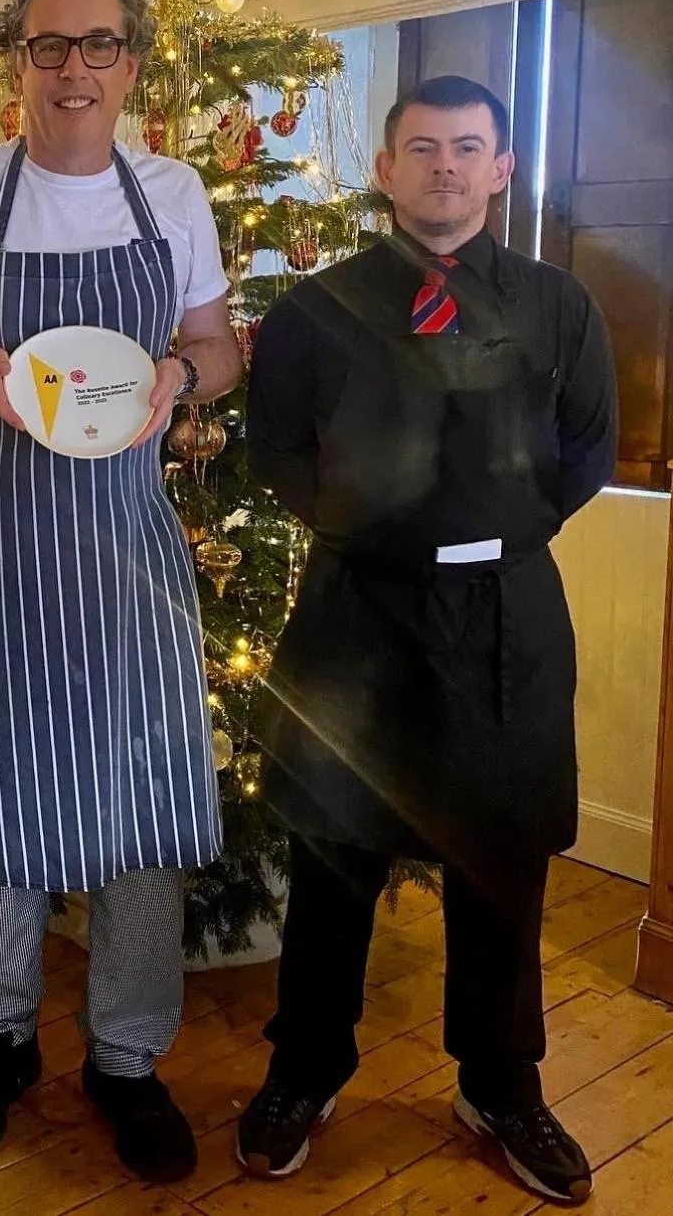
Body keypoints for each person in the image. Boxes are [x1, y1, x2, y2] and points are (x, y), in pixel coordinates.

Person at [0, 0, 242, 1183]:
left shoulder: (175, 191)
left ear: (132, 62)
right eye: (48, 46)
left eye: (98, 45)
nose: (74, 68)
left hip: (129, 557)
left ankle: (127, 1059)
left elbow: (215, 346)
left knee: (141, 812)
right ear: (16, 59)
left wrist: (179, 381)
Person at [240, 75, 617, 1205]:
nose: (444, 167)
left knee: (500, 869)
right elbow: (277, 449)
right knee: (333, 861)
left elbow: (587, 450)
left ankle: (501, 1085)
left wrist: (482, 530)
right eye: (421, 147)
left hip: (506, 621)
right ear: (385, 170)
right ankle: (304, 1071)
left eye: (467, 148)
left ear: (503, 168)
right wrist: (380, 530)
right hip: (358, 618)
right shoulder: (317, 311)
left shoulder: (561, 308)